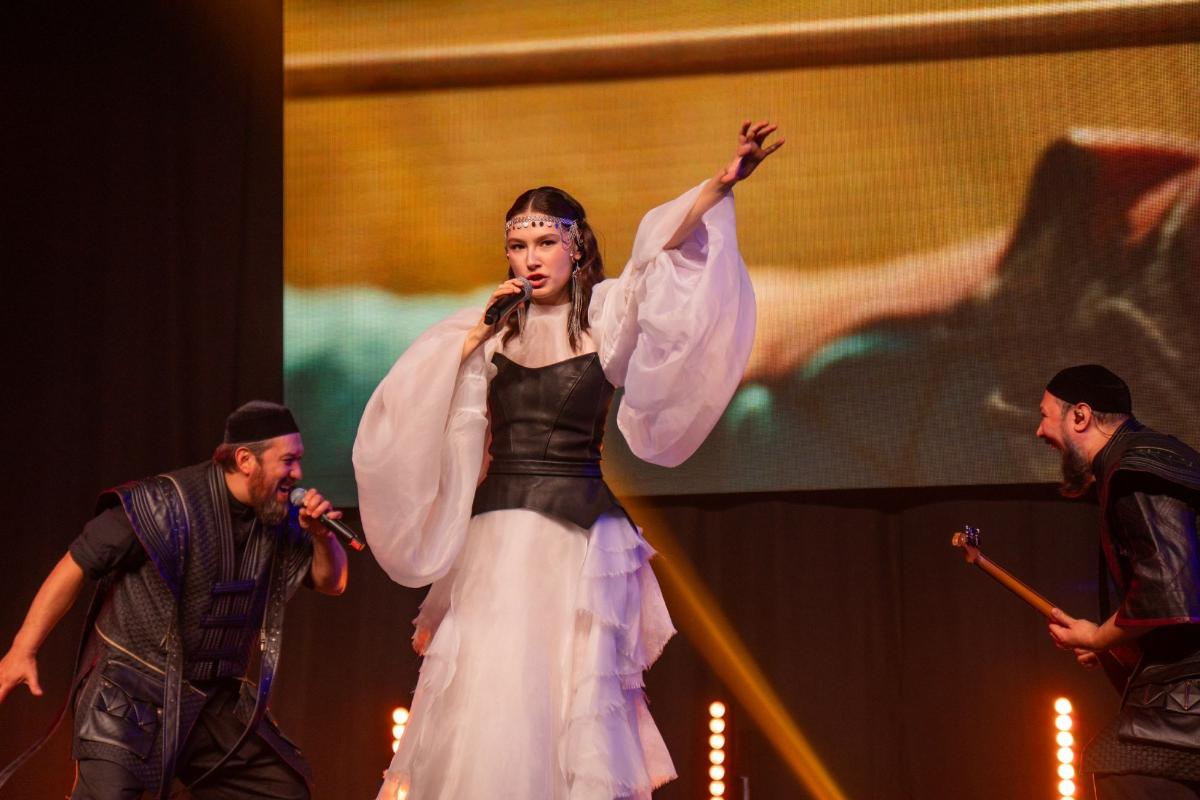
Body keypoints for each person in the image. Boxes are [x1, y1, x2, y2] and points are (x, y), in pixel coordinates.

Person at [353, 121, 782, 799]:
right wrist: (473, 339)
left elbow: (656, 249)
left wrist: (720, 184)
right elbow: (406, 406)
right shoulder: (490, 328)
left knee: (566, 700)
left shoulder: (606, 315)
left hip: (576, 542)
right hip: (497, 542)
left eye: (546, 242)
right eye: (518, 246)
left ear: (576, 246)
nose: (531, 259)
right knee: (489, 699)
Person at [0, 401, 349, 800]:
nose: (298, 473)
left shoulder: (279, 514)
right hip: (131, 694)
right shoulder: (161, 504)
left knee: (282, 789)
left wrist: (321, 536)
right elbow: (77, 563)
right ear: (245, 460)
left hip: (211, 700)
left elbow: (332, 582)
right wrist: (23, 649)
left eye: (299, 460)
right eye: (288, 461)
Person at [1035, 365, 1200, 798]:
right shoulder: (1153, 458)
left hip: (1187, 696)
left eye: (1045, 416)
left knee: (1120, 767)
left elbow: (1167, 591)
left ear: (1080, 416)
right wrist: (1118, 645)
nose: (1039, 431)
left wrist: (1099, 637)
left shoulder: (1135, 470)